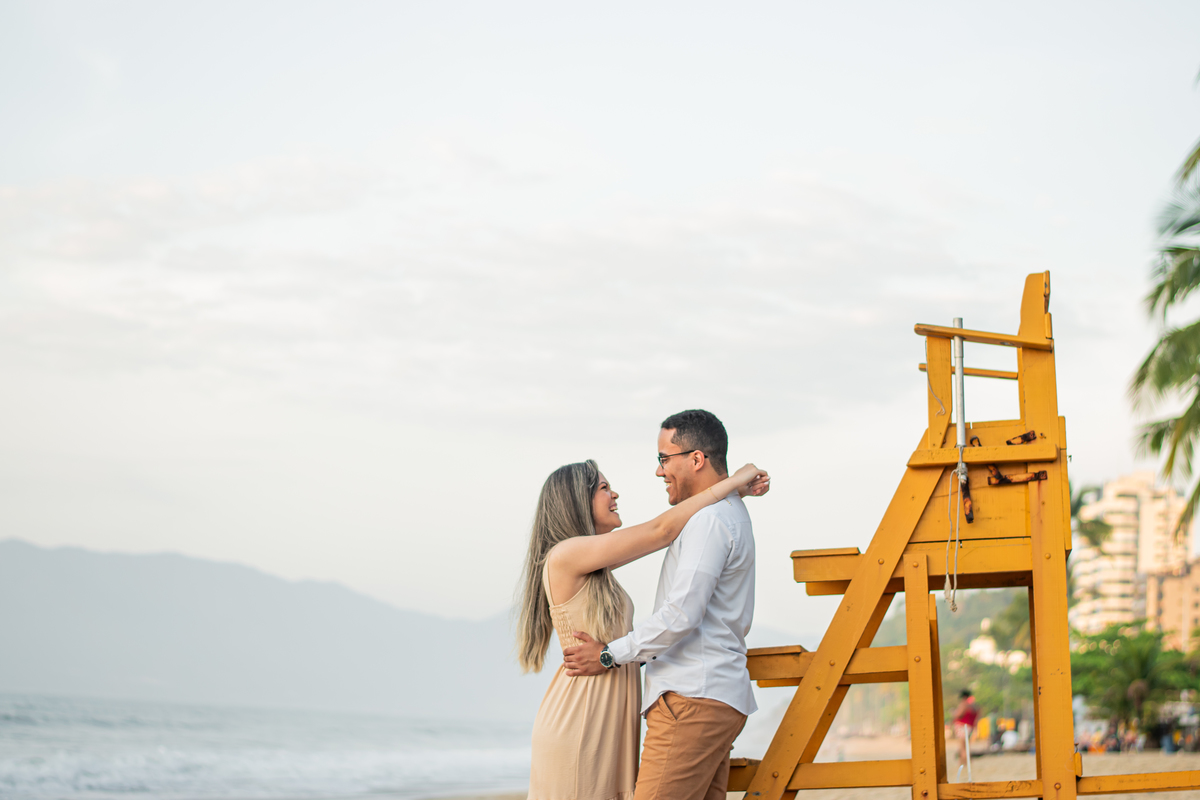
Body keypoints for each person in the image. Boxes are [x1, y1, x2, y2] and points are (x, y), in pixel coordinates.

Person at [516, 451, 769, 800]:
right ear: (577, 501)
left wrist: (730, 494)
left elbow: (668, 529)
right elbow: (662, 530)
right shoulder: (566, 555)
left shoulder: (594, 565)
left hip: (609, 719)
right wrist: (732, 483)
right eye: (604, 488)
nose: (614, 495)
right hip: (582, 716)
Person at [951, 689, 979, 774]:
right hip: (970, 727)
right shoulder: (974, 706)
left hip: (962, 726)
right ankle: (967, 763)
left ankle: (963, 764)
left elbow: (959, 715)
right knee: (967, 746)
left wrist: (953, 713)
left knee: (962, 747)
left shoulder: (964, 704)